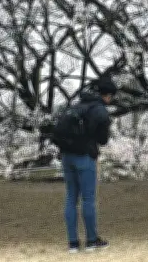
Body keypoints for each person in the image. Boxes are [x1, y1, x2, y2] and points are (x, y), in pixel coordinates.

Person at [56, 76, 117, 254]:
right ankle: (91, 240)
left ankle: (73, 243)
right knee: (88, 199)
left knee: (71, 197)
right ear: (108, 95)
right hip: (85, 156)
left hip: (67, 156)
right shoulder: (100, 110)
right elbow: (103, 140)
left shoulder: (76, 106)